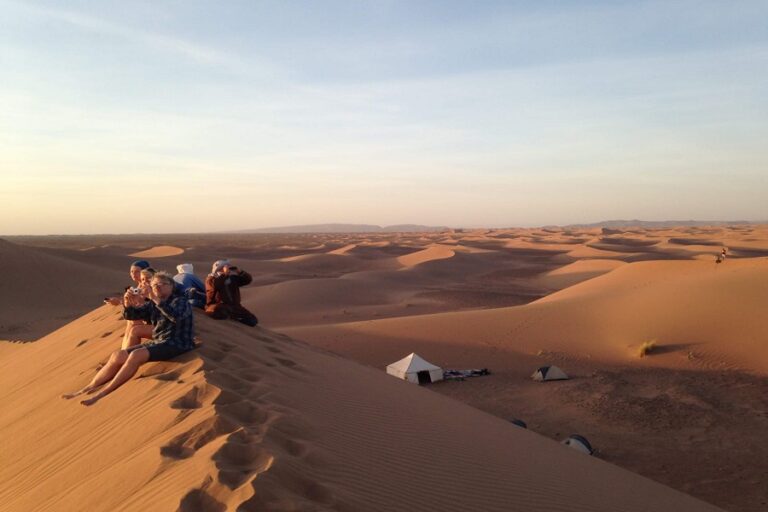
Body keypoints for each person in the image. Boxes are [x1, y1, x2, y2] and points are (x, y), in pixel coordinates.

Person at [63, 271, 195, 406]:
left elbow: (176, 317)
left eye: (162, 284)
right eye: (155, 284)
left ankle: (102, 393)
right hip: (160, 341)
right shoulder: (153, 303)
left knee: (136, 355)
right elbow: (133, 316)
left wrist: (154, 298)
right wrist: (127, 303)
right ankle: (87, 388)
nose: (158, 287)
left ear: (171, 286)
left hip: (178, 343)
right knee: (118, 355)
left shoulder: (180, 301)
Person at [205, 260, 258, 326]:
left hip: (235, 307)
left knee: (253, 320)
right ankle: (230, 317)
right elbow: (215, 288)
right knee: (214, 311)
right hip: (220, 305)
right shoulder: (211, 279)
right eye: (225, 267)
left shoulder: (232, 279)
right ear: (220, 268)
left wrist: (240, 271)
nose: (228, 268)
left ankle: (236, 318)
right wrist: (225, 274)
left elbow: (248, 280)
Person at [121, 267, 156, 349]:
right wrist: (128, 303)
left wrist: (148, 298)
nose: (145, 281)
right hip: (156, 327)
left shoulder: (159, 293)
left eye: (148, 278)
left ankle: (125, 353)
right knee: (133, 324)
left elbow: (160, 308)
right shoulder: (144, 295)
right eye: (143, 279)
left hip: (167, 328)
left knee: (135, 329)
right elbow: (132, 315)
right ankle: (124, 352)